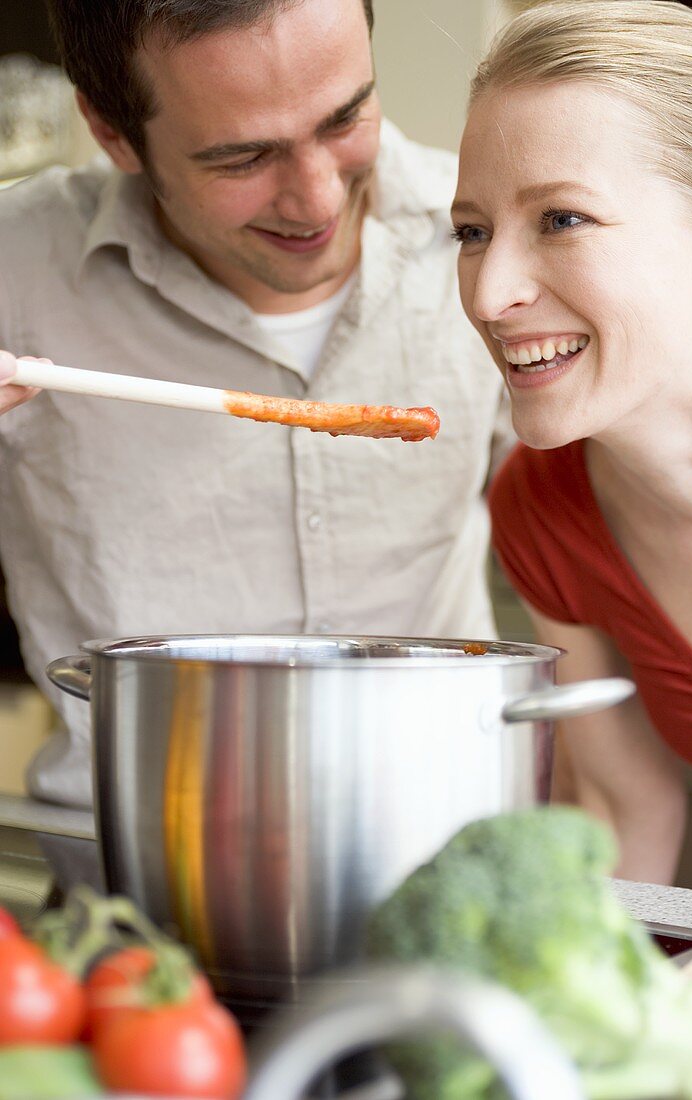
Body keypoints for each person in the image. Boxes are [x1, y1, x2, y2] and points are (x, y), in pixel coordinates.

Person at [0, 0, 509, 858]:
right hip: (133, 890)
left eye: (345, 118)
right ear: (111, 133)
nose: (314, 198)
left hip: (445, 867)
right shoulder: (17, 270)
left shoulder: (492, 240)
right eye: (241, 156)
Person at [453, 0, 692, 885]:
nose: (490, 293)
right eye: (471, 232)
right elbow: (619, 807)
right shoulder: (541, 509)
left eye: (561, 219)